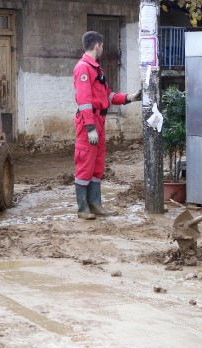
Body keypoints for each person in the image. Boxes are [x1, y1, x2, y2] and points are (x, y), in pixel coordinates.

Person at [73, 31, 141, 220]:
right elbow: (84, 101)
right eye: (102, 46)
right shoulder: (83, 68)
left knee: (97, 164)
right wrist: (90, 128)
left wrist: (130, 98)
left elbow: (108, 96)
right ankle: (83, 208)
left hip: (99, 121)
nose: (102, 49)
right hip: (90, 123)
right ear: (97, 45)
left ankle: (95, 204)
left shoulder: (96, 69)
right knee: (85, 163)